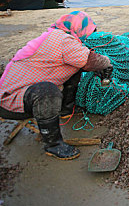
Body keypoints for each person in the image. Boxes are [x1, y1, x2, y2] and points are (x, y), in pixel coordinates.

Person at [0, 11, 112, 160]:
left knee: (75, 68)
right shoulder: (64, 40)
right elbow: (91, 61)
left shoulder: (56, 35)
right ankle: (53, 144)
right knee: (47, 91)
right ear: (79, 29)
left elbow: (83, 61)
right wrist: (107, 63)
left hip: (24, 96)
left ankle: (66, 110)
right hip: (10, 102)